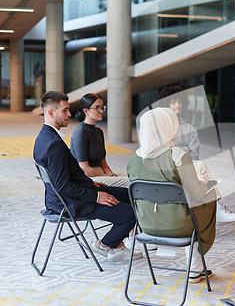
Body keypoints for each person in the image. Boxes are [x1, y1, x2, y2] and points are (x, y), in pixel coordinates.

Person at [33, 91, 142, 262]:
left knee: (130, 194)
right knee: (132, 213)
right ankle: (106, 245)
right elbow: (63, 186)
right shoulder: (54, 144)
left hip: (67, 196)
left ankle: (117, 244)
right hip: (69, 202)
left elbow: (65, 178)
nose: (69, 114)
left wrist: (91, 184)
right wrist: (96, 196)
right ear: (51, 113)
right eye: (65, 110)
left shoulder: (43, 137)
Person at [127, 108, 217, 283]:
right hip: (180, 226)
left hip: (147, 225)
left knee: (179, 205)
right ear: (165, 128)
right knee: (208, 197)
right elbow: (197, 193)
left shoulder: (133, 160)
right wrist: (203, 181)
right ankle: (195, 269)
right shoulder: (178, 156)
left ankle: (188, 264)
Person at [158, 86, 235, 223]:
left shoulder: (190, 129)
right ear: (166, 104)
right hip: (163, 168)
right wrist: (183, 149)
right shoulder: (159, 126)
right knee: (201, 166)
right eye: (173, 102)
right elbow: (158, 151)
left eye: (179, 101)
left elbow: (194, 155)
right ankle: (217, 208)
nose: (177, 105)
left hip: (185, 168)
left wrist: (175, 148)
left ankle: (217, 208)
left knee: (199, 165)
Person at [70, 93, 129, 187]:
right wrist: (107, 177)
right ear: (86, 111)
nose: (101, 111)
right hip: (87, 177)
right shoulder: (80, 132)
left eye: (102, 107)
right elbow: (84, 168)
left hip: (99, 173)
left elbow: (103, 163)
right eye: (97, 108)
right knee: (130, 183)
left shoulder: (98, 131)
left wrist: (111, 175)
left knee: (135, 179)